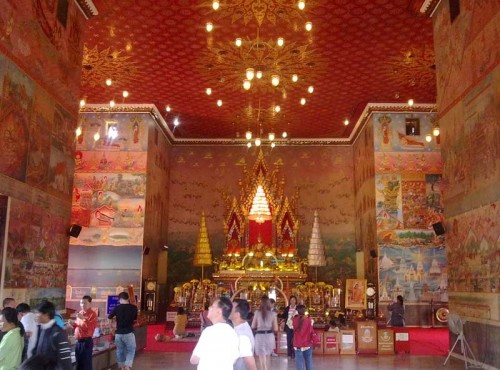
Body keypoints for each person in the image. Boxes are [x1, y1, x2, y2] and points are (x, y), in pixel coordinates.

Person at [190, 297, 239, 370]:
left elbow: (194, 360)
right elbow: (234, 359)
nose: (209, 308)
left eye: (212, 306)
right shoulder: (233, 332)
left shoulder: (209, 331)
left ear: (219, 312)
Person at [32, 300, 72, 370]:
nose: (36, 315)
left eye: (38, 313)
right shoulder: (40, 329)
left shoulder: (58, 333)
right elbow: (36, 353)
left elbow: (65, 360)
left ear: (46, 314)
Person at [108, 292, 138, 370]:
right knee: (131, 350)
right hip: (129, 333)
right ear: (128, 298)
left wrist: (112, 328)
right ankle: (127, 366)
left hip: (118, 334)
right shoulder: (134, 308)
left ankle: (121, 367)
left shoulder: (117, 308)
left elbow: (109, 317)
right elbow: (135, 320)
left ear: (120, 299)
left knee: (119, 351)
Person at [69, 295, 98, 370]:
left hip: (86, 342)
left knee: (86, 365)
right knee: (78, 364)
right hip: (78, 342)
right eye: (81, 303)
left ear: (90, 303)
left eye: (85, 303)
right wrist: (73, 324)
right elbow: (78, 326)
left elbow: (90, 328)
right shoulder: (80, 313)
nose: (82, 305)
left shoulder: (93, 314)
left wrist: (84, 319)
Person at [251, 295, 278, 370]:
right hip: (269, 336)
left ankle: (263, 368)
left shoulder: (257, 313)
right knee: (267, 356)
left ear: (261, 303)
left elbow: (253, 326)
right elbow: (276, 328)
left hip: (259, 335)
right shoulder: (273, 314)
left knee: (261, 357)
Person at [230, 299, 257, 370]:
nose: (228, 309)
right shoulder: (242, 327)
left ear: (237, 314)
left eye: (231, 308)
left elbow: (250, 363)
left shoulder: (242, 334)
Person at [292, 305, 313, 370]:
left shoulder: (294, 320)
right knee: (308, 362)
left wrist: (292, 315)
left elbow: (289, 326)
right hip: (307, 343)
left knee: (299, 363)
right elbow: (311, 329)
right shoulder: (310, 319)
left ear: (297, 311)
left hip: (298, 344)